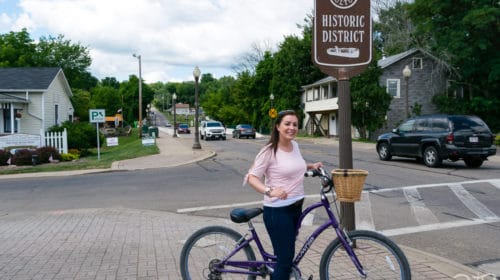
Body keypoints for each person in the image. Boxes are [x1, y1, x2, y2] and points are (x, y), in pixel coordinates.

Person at [244, 110, 322, 279]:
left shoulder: (295, 146)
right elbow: (251, 177)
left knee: (283, 256)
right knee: (285, 262)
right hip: (277, 211)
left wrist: (310, 166)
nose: (291, 127)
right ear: (278, 126)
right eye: (287, 123)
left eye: (295, 124)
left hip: (295, 208)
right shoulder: (269, 151)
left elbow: (293, 166)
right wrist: (270, 191)